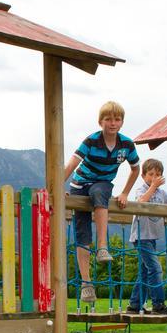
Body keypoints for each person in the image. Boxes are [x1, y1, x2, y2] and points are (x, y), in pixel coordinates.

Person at [62, 101, 140, 303]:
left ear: (122, 122)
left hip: (102, 183)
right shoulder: (91, 141)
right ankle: (86, 283)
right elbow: (71, 164)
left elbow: (135, 169)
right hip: (79, 185)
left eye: (117, 119)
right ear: (100, 122)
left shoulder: (126, 145)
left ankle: (102, 246)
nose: (112, 123)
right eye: (108, 119)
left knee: (99, 192)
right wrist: (56, 188)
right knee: (82, 233)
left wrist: (124, 192)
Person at [125, 159, 167, 314]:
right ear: (143, 176)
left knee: (145, 271)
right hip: (140, 236)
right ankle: (158, 304)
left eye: (158, 175)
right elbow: (141, 202)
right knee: (155, 269)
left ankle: (134, 305)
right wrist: (153, 187)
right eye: (151, 174)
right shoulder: (141, 189)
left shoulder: (162, 193)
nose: (154, 177)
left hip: (153, 237)